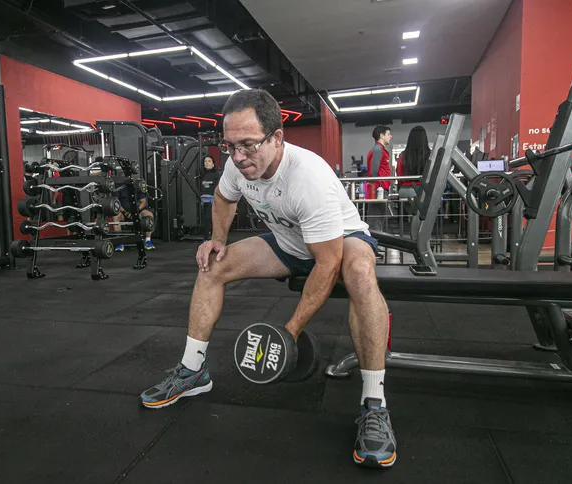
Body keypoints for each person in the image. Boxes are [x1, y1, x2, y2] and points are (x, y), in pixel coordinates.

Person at [139, 89, 396, 469]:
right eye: (230, 146)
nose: (238, 157)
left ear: (277, 138)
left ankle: (375, 403)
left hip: (339, 241)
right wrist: (219, 241)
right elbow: (225, 198)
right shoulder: (237, 163)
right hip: (289, 242)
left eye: (247, 145)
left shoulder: (308, 178)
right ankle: (192, 371)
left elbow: (326, 264)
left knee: (359, 271)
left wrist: (289, 333)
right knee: (212, 266)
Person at [364, 126, 392, 233]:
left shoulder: (380, 150)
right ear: (381, 135)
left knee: (378, 220)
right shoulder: (377, 149)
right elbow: (373, 173)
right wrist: (373, 190)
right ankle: (373, 247)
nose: (390, 136)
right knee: (375, 221)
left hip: (380, 188)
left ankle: (375, 246)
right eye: (388, 134)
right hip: (377, 189)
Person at [396, 126, 430, 201]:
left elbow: (399, 175)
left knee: (408, 212)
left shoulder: (403, 155)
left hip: (406, 190)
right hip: (425, 190)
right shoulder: (430, 155)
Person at [200, 155, 221, 241]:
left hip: (212, 200)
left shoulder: (216, 174)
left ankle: (208, 238)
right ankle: (207, 238)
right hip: (203, 200)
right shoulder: (202, 174)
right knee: (206, 219)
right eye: (205, 161)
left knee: (210, 219)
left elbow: (218, 187)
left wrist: (215, 199)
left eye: (209, 161)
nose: (207, 163)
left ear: (213, 164)